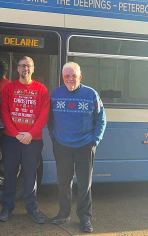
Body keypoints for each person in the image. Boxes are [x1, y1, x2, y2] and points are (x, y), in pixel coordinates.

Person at [48, 62, 106, 233]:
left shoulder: (91, 94)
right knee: (63, 183)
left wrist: (95, 140)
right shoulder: (55, 94)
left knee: (84, 184)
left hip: (85, 146)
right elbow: (49, 118)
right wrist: (53, 137)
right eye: (67, 76)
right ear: (62, 77)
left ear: (80, 77)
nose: (70, 79)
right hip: (62, 145)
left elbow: (101, 119)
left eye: (73, 76)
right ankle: (63, 213)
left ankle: (85, 218)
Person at [0, 56, 50, 224]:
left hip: (33, 140)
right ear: (17, 69)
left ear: (33, 69)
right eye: (22, 66)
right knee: (10, 174)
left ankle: (32, 209)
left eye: (28, 66)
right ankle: (7, 208)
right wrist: (16, 134)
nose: (25, 69)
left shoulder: (41, 90)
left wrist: (30, 134)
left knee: (30, 175)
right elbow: (4, 112)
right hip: (11, 139)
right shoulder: (9, 88)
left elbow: (44, 115)